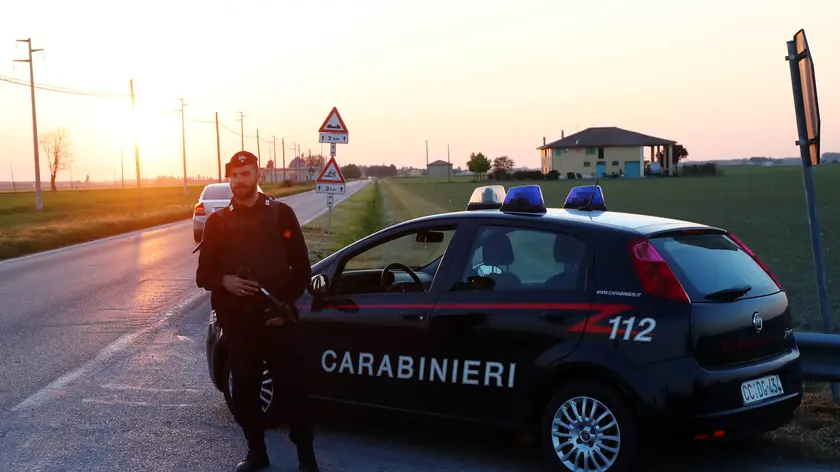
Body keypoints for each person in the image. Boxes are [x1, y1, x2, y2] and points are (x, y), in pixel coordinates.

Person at [195, 151, 318, 472]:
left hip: (277, 320)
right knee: (245, 393)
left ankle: (306, 457)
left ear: (258, 175)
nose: (238, 181)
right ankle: (256, 452)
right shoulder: (217, 222)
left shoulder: (280, 215)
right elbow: (202, 275)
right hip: (239, 324)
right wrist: (226, 280)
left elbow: (302, 269)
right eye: (234, 175)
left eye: (245, 174)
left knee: (294, 391)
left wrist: (286, 305)